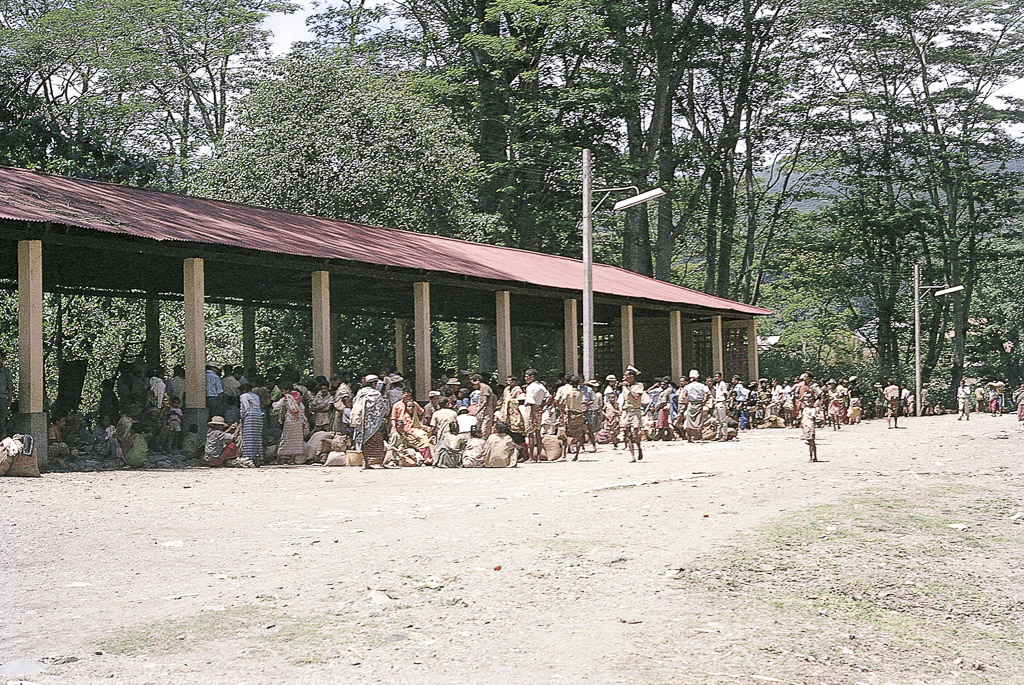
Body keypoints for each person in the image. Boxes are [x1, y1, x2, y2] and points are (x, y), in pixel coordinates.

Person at [274, 385, 308, 463]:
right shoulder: (299, 401)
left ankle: (278, 459)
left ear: (287, 390)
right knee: (296, 441)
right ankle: (292, 459)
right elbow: (302, 413)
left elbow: (276, 406)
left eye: (283, 391)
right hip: (298, 422)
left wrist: (274, 403)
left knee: (285, 439)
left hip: (290, 421)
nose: (282, 393)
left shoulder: (286, 398)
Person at [618, 366, 645, 462]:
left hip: (635, 411)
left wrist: (628, 387)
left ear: (631, 376)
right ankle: (632, 455)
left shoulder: (639, 385)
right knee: (628, 434)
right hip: (626, 411)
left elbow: (636, 396)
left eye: (626, 375)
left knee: (636, 434)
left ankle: (639, 447)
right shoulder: (623, 386)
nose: (624, 376)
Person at [555, 374, 585, 460]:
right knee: (579, 435)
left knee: (565, 434)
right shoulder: (581, 392)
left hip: (569, 414)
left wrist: (562, 410)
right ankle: (576, 455)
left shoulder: (567, 392)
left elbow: (560, 402)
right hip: (579, 414)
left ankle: (564, 454)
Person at [523, 369, 547, 462]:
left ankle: (532, 457)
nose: (525, 378)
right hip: (538, 409)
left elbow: (531, 402)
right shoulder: (541, 386)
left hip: (531, 410)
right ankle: (538, 457)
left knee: (530, 434)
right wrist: (542, 406)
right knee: (538, 432)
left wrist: (532, 415)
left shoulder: (530, 387)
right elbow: (548, 397)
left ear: (532, 377)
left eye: (526, 376)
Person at [238, 382, 264, 467]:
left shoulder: (243, 396)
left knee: (248, 437)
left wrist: (242, 417)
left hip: (250, 417)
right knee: (257, 437)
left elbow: (246, 407)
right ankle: (259, 456)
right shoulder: (256, 396)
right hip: (258, 417)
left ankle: (249, 456)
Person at [680, 370, 708, 442]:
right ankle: (700, 438)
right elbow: (708, 393)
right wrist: (704, 401)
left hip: (691, 404)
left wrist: (687, 400)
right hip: (699, 403)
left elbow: (684, 395)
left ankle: (689, 438)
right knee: (699, 421)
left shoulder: (687, 386)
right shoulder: (701, 385)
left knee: (689, 421)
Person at [712, 372, 730, 441]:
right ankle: (718, 434)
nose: (716, 378)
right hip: (717, 402)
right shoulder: (716, 384)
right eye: (715, 376)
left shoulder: (722, 384)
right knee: (717, 420)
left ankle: (724, 435)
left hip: (721, 402)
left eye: (717, 376)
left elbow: (725, 393)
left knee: (723, 420)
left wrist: (724, 402)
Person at [0, 352, 13, 439]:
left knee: (2, 424)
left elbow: (10, 388)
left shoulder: (6, 372)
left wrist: (9, 404)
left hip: (2, 400)